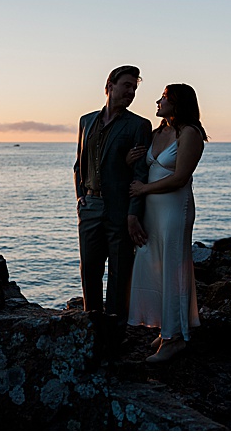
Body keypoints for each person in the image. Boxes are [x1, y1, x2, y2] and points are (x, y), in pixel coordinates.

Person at [75, 64, 152, 362]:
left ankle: (115, 340)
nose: (131, 92)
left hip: (120, 209)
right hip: (91, 207)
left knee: (120, 275)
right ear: (110, 85)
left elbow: (140, 172)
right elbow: (78, 164)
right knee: (90, 272)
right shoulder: (86, 121)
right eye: (127, 86)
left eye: (134, 88)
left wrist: (134, 214)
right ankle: (89, 330)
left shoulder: (138, 125)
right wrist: (81, 197)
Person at [128, 84, 206, 363]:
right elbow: (142, 168)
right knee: (154, 265)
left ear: (178, 103)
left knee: (173, 267)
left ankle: (175, 340)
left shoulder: (190, 134)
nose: (158, 101)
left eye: (164, 97)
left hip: (175, 209)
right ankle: (167, 328)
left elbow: (180, 177)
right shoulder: (156, 133)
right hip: (151, 210)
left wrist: (143, 190)